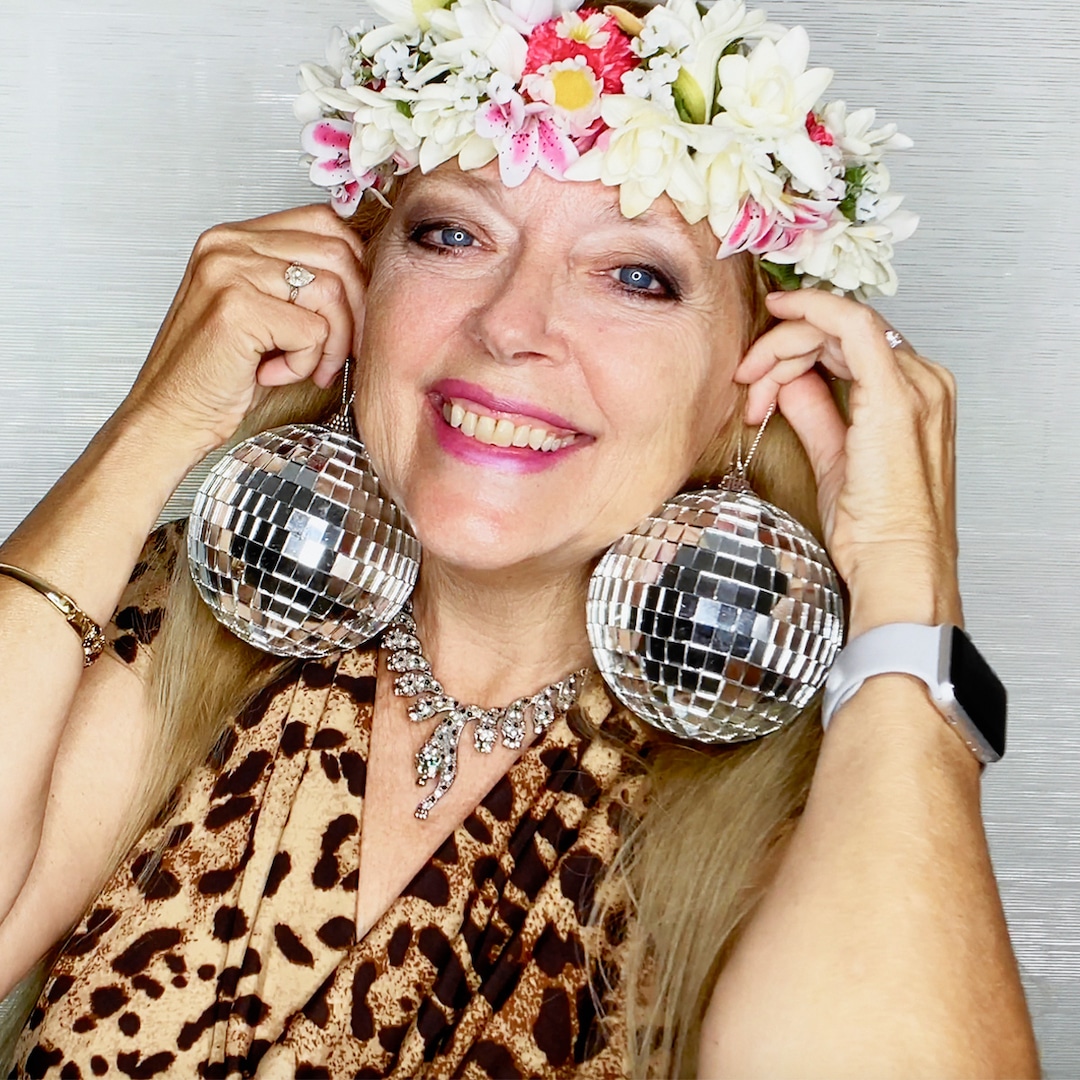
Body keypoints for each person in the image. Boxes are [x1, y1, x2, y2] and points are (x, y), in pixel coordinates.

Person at [0, 0, 1039, 1075]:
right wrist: (154, 426)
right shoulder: (189, 623)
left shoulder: (814, 797)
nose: (509, 325)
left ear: (756, 387)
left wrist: (907, 586)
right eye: (453, 235)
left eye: (636, 276)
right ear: (362, 290)